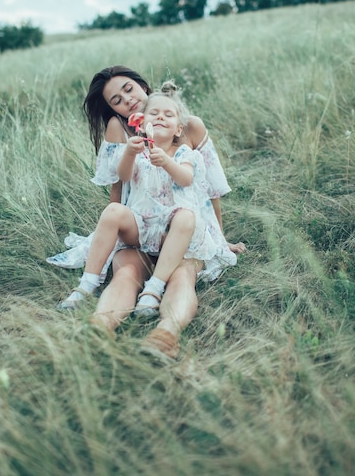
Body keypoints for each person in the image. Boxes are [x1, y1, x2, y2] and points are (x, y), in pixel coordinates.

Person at [51, 65, 246, 360]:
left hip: (184, 228)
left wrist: (221, 237)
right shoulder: (121, 128)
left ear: (143, 85)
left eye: (128, 89)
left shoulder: (189, 126)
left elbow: (210, 188)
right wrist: (113, 231)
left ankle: (166, 334)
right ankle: (98, 328)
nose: (126, 100)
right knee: (125, 272)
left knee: (182, 277)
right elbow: (117, 188)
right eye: (116, 100)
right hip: (141, 224)